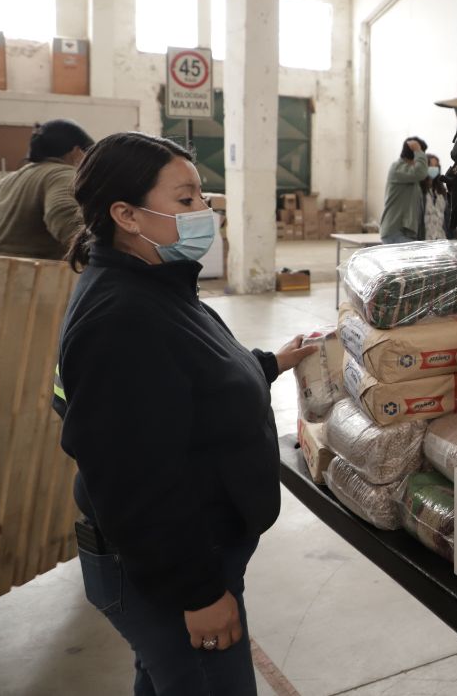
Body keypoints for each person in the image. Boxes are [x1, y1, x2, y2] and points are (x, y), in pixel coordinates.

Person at [54, 132, 313, 696]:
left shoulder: (155, 286)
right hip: (171, 569)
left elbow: (187, 379)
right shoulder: (120, 319)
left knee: (167, 680)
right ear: (126, 214)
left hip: (190, 555)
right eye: (187, 199)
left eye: (204, 198)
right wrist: (198, 593)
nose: (207, 212)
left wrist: (270, 362)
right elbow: (134, 481)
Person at [0, 118, 93, 259]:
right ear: (76, 152)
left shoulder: (10, 181)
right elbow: (63, 214)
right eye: (89, 155)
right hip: (35, 277)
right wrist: (97, 254)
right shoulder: (63, 174)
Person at [380, 137, 429, 244]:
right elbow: (420, 172)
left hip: (405, 231)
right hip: (395, 231)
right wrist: (418, 150)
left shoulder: (409, 174)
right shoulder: (397, 168)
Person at [422, 154, 455, 241]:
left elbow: (447, 216)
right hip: (424, 239)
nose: (433, 168)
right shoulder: (420, 191)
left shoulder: (441, 190)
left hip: (441, 238)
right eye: (430, 166)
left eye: (436, 166)